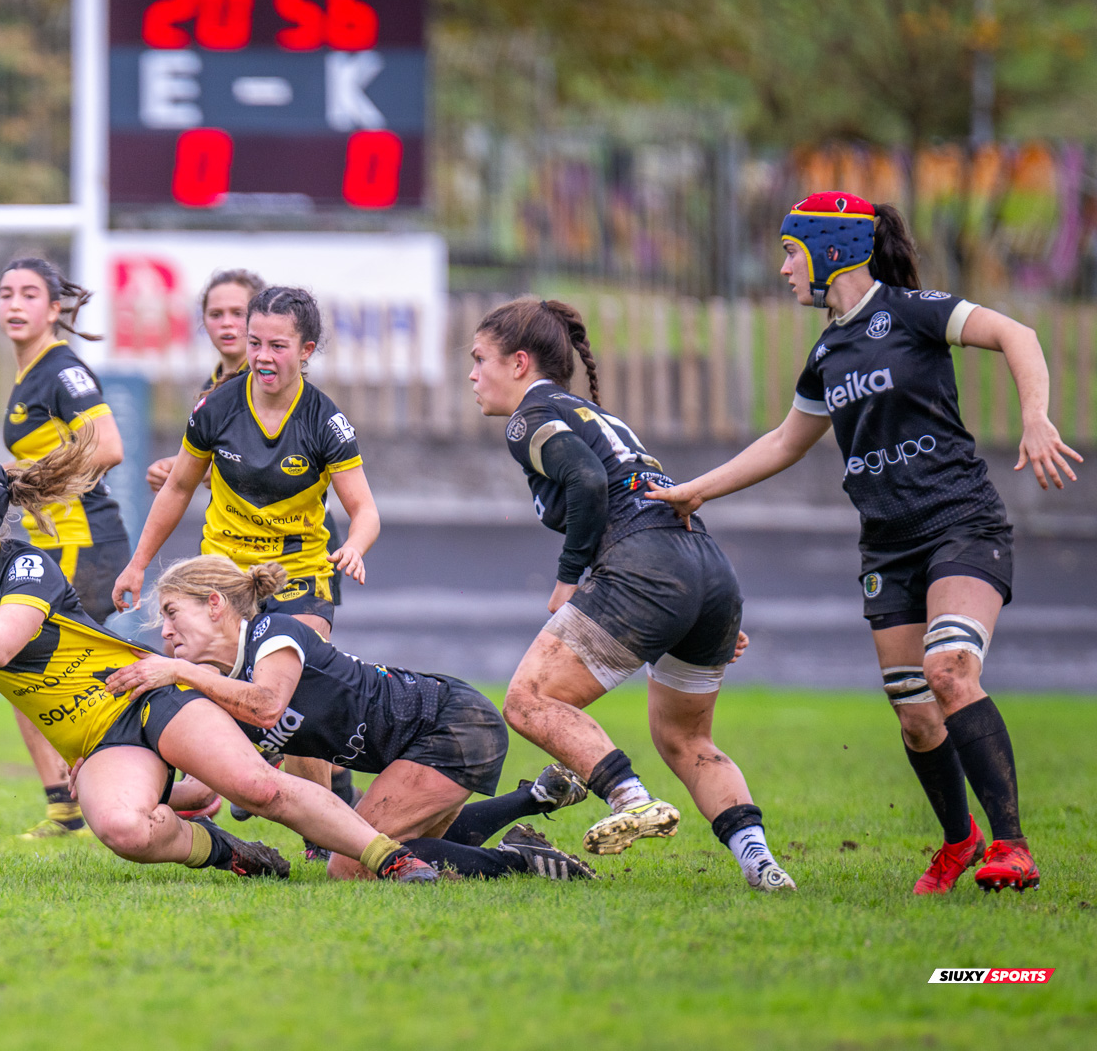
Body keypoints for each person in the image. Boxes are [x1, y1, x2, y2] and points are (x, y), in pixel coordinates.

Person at [0, 432, 439, 884]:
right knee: (125, 830)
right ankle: (229, 852)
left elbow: (6, 642)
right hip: (95, 739)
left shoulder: (26, 564)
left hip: (144, 695)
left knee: (259, 787)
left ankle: (389, 857)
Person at [649, 193, 1078, 894]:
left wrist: (1036, 417)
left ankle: (1012, 846)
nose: (784, 267)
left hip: (960, 522)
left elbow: (1018, 334)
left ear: (829, 246)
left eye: (791, 251)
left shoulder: (912, 311)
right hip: (888, 547)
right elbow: (787, 441)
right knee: (914, 714)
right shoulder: (828, 350)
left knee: (949, 671)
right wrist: (698, 490)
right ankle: (959, 840)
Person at [470, 297, 796, 893]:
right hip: (705, 570)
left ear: (519, 363)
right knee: (686, 738)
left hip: (647, 567)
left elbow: (589, 483)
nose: (471, 374)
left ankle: (631, 798)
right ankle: (762, 865)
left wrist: (570, 577)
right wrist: (703, 610)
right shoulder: (593, 415)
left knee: (528, 700)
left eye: (479, 359)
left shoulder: (529, 416)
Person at [102, 554, 594, 882]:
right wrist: (123, 787)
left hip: (451, 723)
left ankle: (520, 863)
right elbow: (206, 789)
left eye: (171, 613)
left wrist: (182, 672)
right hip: (432, 737)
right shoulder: (215, 681)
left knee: (351, 865)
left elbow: (268, 704)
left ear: (214, 605)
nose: (165, 632)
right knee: (412, 844)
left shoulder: (273, 630)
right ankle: (530, 804)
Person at [114, 285, 377, 638]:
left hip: (296, 575)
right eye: (254, 343)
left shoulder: (324, 421)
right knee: (191, 672)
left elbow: (365, 510)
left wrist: (354, 548)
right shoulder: (216, 408)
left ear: (306, 351)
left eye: (278, 346)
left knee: (285, 670)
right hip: (223, 572)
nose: (262, 357)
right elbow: (177, 488)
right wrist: (137, 564)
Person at [0, 256, 130, 839]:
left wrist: (18, 470)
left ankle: (109, 791)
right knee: (23, 665)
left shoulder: (63, 371)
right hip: (58, 545)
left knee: (26, 660)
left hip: (87, 544)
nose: (14, 304)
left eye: (29, 294)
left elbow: (107, 447)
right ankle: (66, 805)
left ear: (55, 308)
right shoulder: (30, 374)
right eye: (6, 294)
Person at [144, 268, 265, 492]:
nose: (227, 323)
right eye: (216, 314)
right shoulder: (211, 387)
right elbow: (214, 463)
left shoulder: (268, 381)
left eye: (238, 313)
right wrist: (173, 468)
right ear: (204, 322)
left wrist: (185, 469)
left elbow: (266, 464)